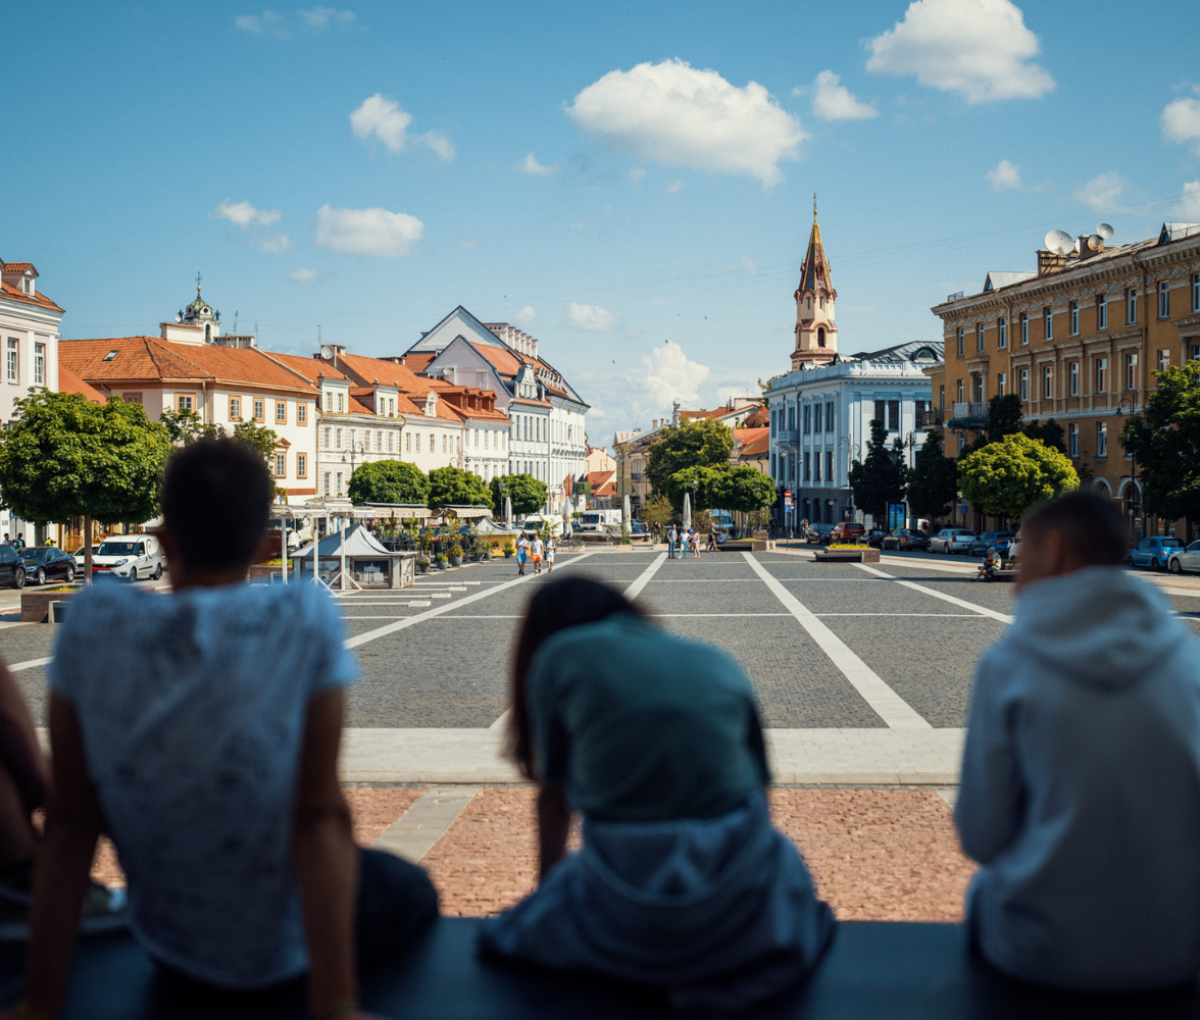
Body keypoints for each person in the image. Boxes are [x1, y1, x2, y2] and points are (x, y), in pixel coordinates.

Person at [11, 439, 436, 1020]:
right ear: (266, 545)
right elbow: (316, 815)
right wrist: (336, 1006)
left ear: (164, 538)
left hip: (173, 946)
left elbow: (70, 820)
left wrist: (40, 1003)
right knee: (405, 887)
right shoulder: (301, 616)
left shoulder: (93, 623)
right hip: (283, 952)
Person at [480, 577, 834, 1010]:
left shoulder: (559, 653)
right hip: (739, 866)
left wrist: (547, 896)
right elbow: (760, 789)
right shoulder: (713, 658)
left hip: (628, 869)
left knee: (512, 935)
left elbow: (554, 797)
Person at [955, 490, 1200, 992]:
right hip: (1177, 951)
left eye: (1025, 551)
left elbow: (982, 835)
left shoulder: (1010, 666)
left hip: (1041, 951)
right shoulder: (1189, 663)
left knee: (982, 897)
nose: (1016, 573)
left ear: (1058, 550)